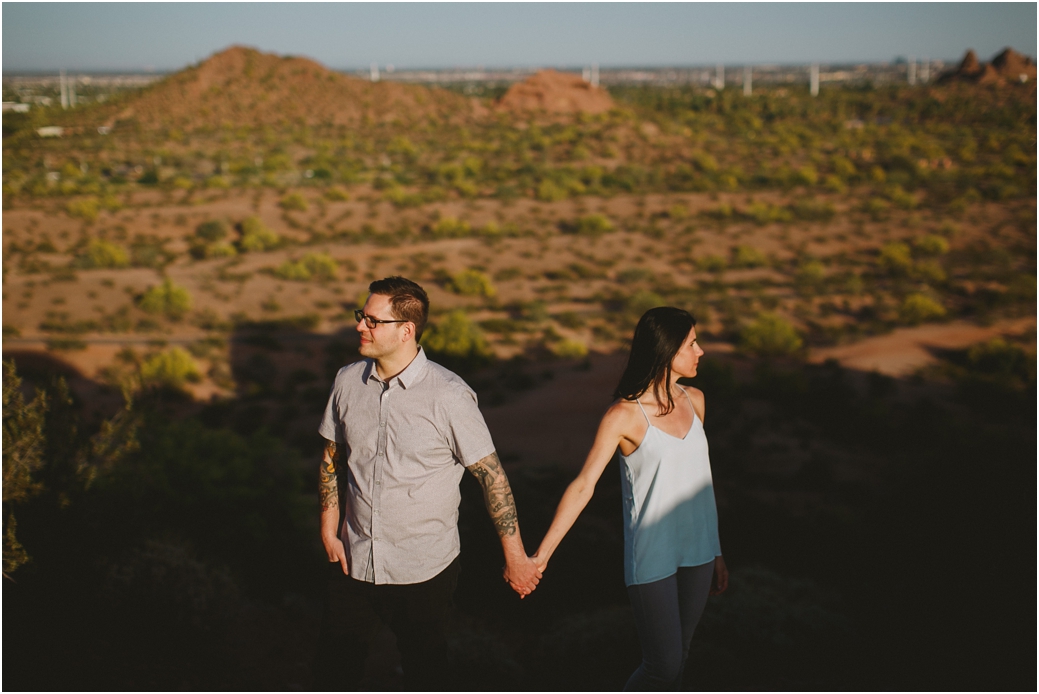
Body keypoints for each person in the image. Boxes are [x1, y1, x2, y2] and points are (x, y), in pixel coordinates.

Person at [315, 276, 541, 691]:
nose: (360, 326)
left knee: (426, 673)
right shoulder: (347, 381)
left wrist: (516, 558)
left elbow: (492, 478)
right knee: (335, 670)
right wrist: (329, 531)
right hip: (352, 558)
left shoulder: (450, 396)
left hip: (424, 570)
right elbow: (333, 456)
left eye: (371, 320)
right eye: (360, 316)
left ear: (406, 331)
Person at [532, 306, 728, 691]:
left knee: (681, 656)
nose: (701, 351)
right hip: (653, 556)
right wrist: (542, 555)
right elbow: (584, 485)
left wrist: (717, 551)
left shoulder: (697, 401)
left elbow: (700, 483)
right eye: (692, 343)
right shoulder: (624, 415)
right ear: (668, 351)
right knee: (664, 666)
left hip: (700, 553)